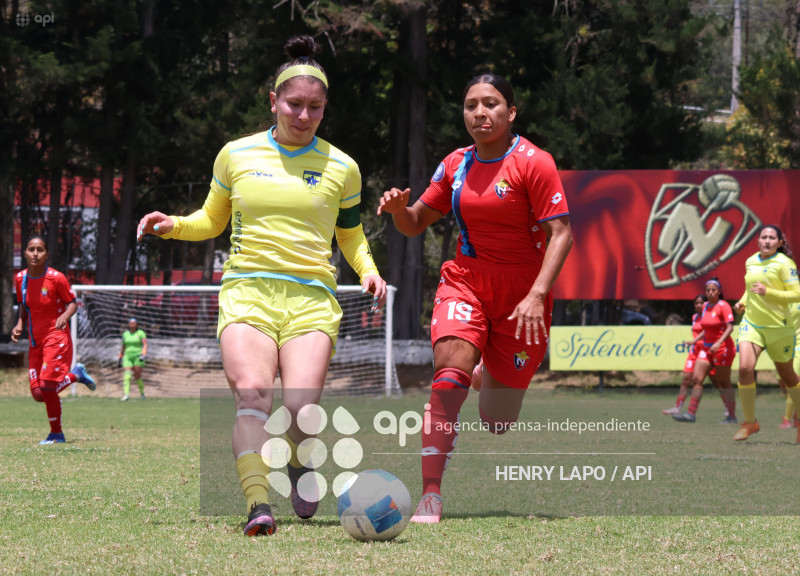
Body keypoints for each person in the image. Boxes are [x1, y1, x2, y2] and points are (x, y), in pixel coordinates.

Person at [137, 35, 386, 536]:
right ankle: (257, 504)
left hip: (312, 298)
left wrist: (369, 270)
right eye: (294, 104)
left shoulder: (343, 167)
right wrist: (175, 225)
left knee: (300, 407)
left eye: (315, 107)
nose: (304, 115)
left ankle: (298, 462)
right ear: (272, 101)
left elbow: (351, 234)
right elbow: (212, 219)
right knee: (253, 395)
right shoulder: (235, 154)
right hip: (247, 289)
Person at [378, 73, 573, 523]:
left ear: (511, 112)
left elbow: (561, 233)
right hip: (466, 279)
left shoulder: (534, 162)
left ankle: (486, 375)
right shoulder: (455, 164)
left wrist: (537, 293)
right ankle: (430, 495)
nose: (480, 113)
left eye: (491, 104)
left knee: (498, 421)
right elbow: (414, 223)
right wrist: (397, 211)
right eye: (471, 105)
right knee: (447, 379)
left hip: (524, 295)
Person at [10, 235, 96, 444]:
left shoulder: (56, 278)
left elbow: (72, 303)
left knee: (48, 386)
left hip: (56, 336)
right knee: (39, 394)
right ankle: (76, 374)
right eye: (31, 249)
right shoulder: (21, 278)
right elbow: (24, 305)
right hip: (34, 340)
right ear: (25, 252)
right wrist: (20, 323)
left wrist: (64, 316)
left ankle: (56, 434)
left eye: (40, 250)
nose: (35, 253)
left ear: (47, 254)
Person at [733, 224, 800, 443]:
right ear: (758, 240)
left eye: (772, 238)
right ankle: (750, 422)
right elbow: (749, 289)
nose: (767, 241)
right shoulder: (751, 260)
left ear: (780, 243)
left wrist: (768, 292)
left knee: (788, 377)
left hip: (779, 328)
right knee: (744, 368)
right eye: (764, 237)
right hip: (752, 324)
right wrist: (742, 303)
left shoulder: (784, 263)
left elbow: (796, 294)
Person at [672, 278, 737, 423]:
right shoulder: (706, 306)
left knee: (724, 382)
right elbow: (705, 329)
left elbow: (730, 327)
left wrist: (719, 342)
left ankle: (732, 415)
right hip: (706, 348)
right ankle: (691, 413)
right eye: (708, 290)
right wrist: (694, 341)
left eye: (714, 290)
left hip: (723, 349)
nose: (710, 292)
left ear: (719, 291)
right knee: (697, 379)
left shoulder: (724, 306)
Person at [662, 294, 719, 415]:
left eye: (701, 303)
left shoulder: (709, 317)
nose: (698, 305)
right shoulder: (694, 317)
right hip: (694, 353)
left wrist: (694, 341)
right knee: (686, 379)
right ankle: (678, 406)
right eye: (696, 303)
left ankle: (728, 408)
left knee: (717, 381)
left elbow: (707, 331)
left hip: (705, 353)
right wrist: (693, 343)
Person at [118, 318, 147, 401]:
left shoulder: (141, 333)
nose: (132, 325)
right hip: (127, 357)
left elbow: (145, 344)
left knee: (137, 376)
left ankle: (142, 394)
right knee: (127, 375)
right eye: (130, 323)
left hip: (138, 356)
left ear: (137, 324)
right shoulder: (125, 334)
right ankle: (126, 394)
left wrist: (143, 354)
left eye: (134, 323)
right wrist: (120, 356)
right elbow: (123, 347)